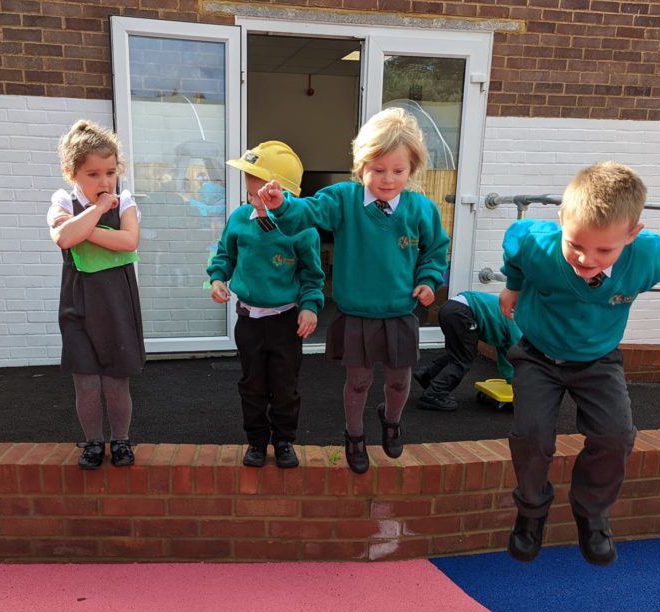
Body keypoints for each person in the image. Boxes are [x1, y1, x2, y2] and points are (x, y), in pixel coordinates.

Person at [498, 161, 660, 565]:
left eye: (603, 250)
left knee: (616, 436)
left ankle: (591, 512)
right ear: (561, 220)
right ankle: (531, 511)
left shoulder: (646, 258)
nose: (585, 259)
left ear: (631, 236)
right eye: (575, 244)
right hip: (538, 354)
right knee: (532, 436)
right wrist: (512, 287)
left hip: (597, 360)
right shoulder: (536, 243)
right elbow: (515, 252)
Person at [259, 108, 450, 474]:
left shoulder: (421, 209)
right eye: (378, 170)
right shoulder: (344, 200)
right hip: (358, 313)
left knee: (398, 378)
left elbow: (435, 250)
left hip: (399, 311)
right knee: (359, 380)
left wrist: (428, 280)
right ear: (362, 166)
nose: (388, 179)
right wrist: (282, 204)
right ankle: (355, 434)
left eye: (399, 171)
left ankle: (391, 420)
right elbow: (307, 213)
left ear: (411, 169)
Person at [207, 141, 324, 468]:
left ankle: (284, 440)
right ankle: (257, 441)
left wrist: (309, 306)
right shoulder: (240, 220)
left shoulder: (302, 230)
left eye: (263, 198)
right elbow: (224, 256)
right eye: (250, 196)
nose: (254, 203)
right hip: (249, 323)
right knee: (253, 385)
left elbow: (313, 275)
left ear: (286, 195)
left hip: (286, 322)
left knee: (285, 386)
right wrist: (217, 279)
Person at [47, 120, 144, 470]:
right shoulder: (61, 200)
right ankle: (92, 443)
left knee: (116, 382)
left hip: (117, 303)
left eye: (110, 172)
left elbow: (129, 241)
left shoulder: (126, 200)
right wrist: (99, 212)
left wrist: (84, 229)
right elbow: (62, 238)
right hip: (78, 305)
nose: (104, 182)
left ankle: (120, 440)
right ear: (71, 173)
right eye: (93, 174)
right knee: (86, 383)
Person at [413, 290, 522, 411]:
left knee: (459, 353)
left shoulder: (512, 316)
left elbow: (505, 356)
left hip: (450, 308)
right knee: (463, 359)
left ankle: (428, 375)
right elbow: (520, 355)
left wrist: (511, 380)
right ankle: (434, 394)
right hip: (462, 312)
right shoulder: (517, 322)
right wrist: (522, 383)